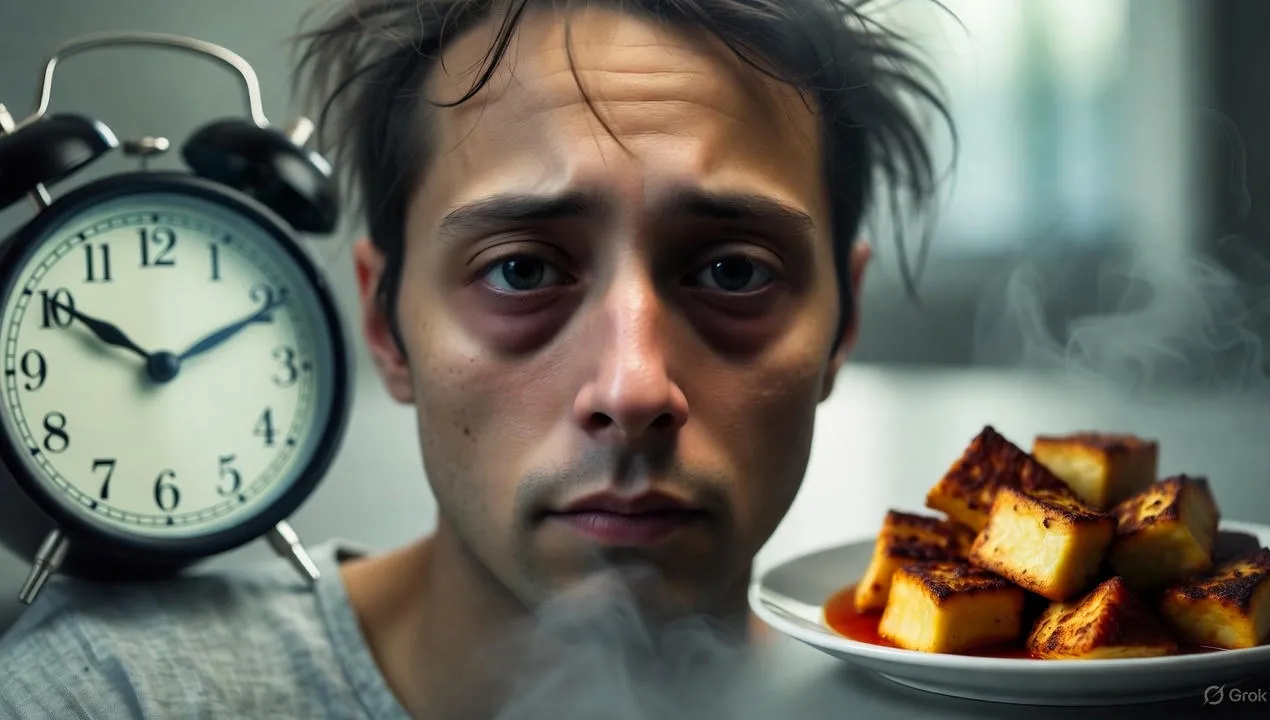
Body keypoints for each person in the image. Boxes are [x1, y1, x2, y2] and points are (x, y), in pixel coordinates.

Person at [0, 0, 951, 717]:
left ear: (842, 321)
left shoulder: (937, 698)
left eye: (734, 271)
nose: (632, 389)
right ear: (385, 326)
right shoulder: (115, 695)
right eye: (522, 268)